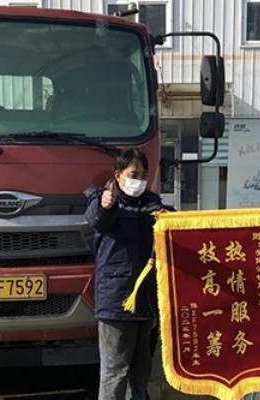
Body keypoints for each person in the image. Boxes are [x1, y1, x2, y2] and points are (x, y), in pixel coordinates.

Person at [84, 147, 164, 400]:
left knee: (141, 373)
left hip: (146, 301)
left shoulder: (153, 204)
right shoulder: (103, 201)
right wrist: (106, 205)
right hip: (116, 302)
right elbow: (97, 219)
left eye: (143, 175)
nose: (138, 180)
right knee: (115, 372)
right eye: (133, 174)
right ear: (118, 175)